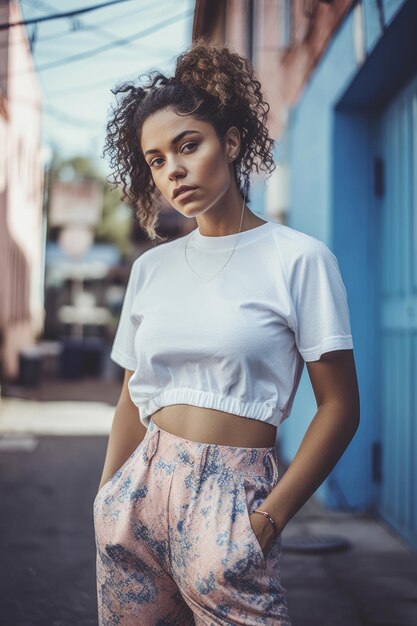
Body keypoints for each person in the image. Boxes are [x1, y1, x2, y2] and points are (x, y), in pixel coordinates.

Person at [93, 36, 360, 626]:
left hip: (233, 499)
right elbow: (131, 401)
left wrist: (269, 518)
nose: (173, 171)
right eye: (157, 160)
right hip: (135, 498)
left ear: (231, 141)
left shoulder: (299, 259)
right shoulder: (151, 268)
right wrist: (107, 498)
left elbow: (340, 407)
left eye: (188, 146)